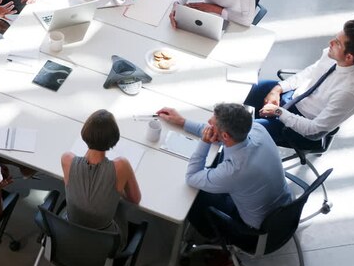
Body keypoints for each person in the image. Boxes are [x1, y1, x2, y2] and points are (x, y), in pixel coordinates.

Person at [157, 103, 292, 243]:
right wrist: (183, 122)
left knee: (192, 197)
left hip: (253, 230)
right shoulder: (257, 130)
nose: (208, 122)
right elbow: (219, 135)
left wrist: (204, 142)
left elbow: (191, 177)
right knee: (215, 167)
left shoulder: (235, 171)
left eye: (212, 123)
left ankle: (214, 239)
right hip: (282, 207)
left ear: (226, 136)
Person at [244, 20, 354, 148]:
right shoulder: (333, 54)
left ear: (349, 57)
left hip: (300, 126)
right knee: (242, 87)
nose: (330, 43)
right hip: (293, 97)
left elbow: (313, 131)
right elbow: (309, 73)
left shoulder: (349, 93)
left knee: (241, 132)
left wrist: (279, 112)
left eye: (337, 43)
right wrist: (278, 89)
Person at [61, 109, 141, 249]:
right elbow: (135, 199)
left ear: (85, 133)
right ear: (114, 138)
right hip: (106, 245)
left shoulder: (67, 160)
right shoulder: (121, 165)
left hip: (69, 235)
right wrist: (116, 190)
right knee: (119, 207)